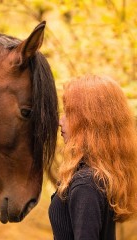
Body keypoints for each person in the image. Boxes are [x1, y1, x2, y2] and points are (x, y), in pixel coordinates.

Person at [49, 74, 137, 240]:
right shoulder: (94, 177)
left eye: (68, 113)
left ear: (89, 121)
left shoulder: (87, 183)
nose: (60, 121)